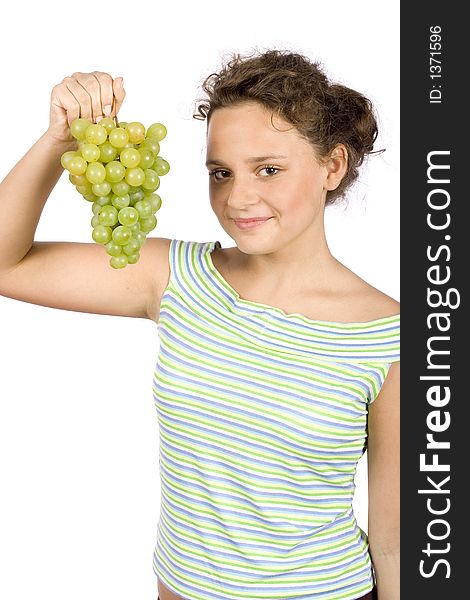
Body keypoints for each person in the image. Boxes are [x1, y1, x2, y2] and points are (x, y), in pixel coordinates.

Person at [0, 49, 399, 600]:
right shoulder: (177, 278)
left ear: (332, 166)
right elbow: (4, 263)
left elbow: (397, 539)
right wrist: (59, 142)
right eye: (221, 172)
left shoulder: (393, 336)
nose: (238, 197)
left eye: (269, 169)